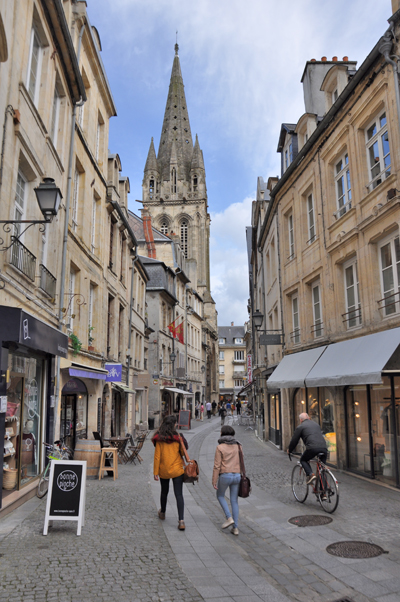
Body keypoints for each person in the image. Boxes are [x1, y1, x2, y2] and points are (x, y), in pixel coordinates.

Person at [152, 415, 188, 530]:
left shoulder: (159, 438)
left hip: (164, 470)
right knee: (179, 494)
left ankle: (162, 513)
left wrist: (155, 472)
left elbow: (157, 457)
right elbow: (183, 452)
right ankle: (181, 521)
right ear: (173, 425)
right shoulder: (178, 437)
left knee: (164, 492)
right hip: (177, 470)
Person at [287, 412, 328, 493]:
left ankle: (311, 474)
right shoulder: (316, 425)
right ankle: (324, 493)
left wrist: (290, 450)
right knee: (322, 469)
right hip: (324, 448)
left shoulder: (300, 427)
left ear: (300, 420)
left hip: (312, 448)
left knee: (303, 460)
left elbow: (294, 440)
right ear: (309, 418)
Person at [212, 425, 242, 536]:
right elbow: (241, 462)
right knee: (234, 501)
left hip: (225, 475)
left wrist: (214, 480)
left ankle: (229, 517)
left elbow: (217, 466)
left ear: (222, 434)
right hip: (237, 475)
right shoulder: (238, 446)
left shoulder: (220, 447)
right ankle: (235, 528)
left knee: (220, 496)